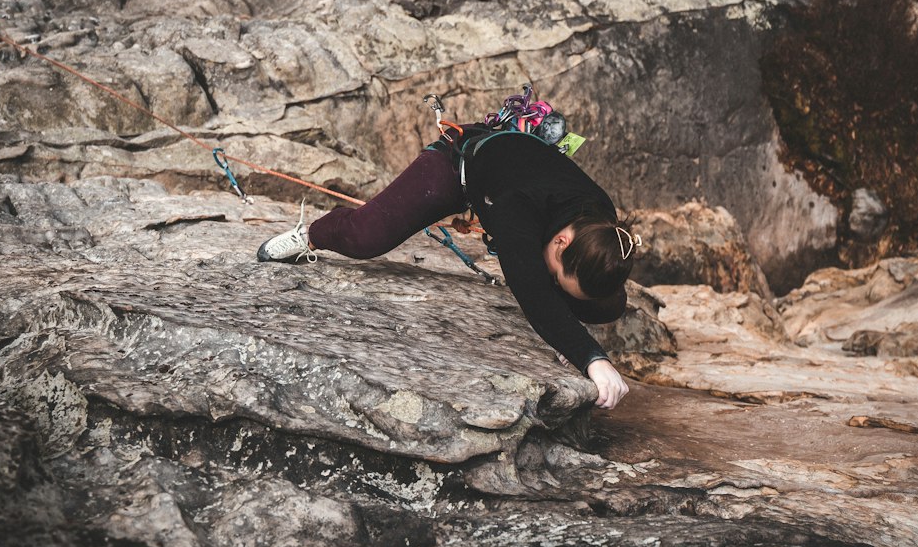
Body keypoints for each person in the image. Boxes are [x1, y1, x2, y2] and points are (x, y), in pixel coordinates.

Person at [257, 122, 637, 409]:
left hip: (512, 174)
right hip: (459, 164)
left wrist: (571, 334)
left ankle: (568, 304)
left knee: (608, 302)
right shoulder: (517, 211)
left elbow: (588, 287)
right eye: (557, 271)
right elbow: (533, 290)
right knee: (367, 236)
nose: (552, 278)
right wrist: (592, 357)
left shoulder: (600, 221)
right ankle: (311, 234)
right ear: (561, 241)